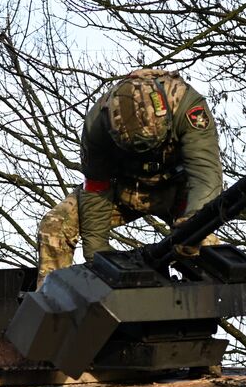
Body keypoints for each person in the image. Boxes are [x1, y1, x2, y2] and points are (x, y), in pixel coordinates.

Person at [37, 68, 224, 284]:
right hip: (121, 190)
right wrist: (98, 256)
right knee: (55, 225)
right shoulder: (97, 122)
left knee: (205, 246)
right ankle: (52, 306)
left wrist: (192, 226)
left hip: (176, 193)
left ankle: (198, 313)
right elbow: (97, 187)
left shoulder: (188, 106)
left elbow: (205, 175)